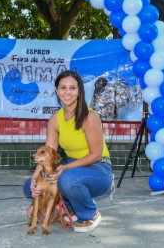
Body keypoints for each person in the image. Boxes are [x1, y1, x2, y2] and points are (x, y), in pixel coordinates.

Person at [23, 70, 113, 233]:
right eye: (63, 88)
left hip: (99, 169)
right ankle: (67, 208)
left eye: (72, 88)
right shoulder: (55, 119)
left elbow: (96, 154)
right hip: (73, 166)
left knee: (67, 179)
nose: (67, 92)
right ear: (56, 91)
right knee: (29, 185)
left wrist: (65, 168)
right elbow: (47, 154)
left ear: (79, 91)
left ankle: (89, 214)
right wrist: (35, 178)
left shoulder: (90, 117)